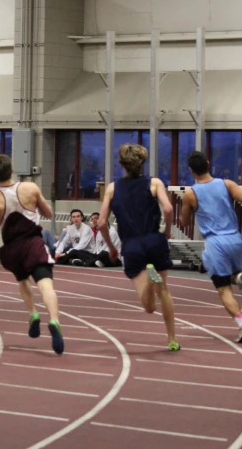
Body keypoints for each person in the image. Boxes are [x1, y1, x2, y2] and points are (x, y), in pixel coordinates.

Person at [97, 144, 180, 351]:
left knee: (149, 307)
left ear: (122, 165)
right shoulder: (154, 183)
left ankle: (150, 283)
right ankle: (172, 339)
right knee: (165, 292)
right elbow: (168, 208)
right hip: (154, 239)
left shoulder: (112, 188)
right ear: (142, 163)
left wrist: (111, 247)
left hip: (131, 245)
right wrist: (167, 229)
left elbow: (101, 222)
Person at [180, 151, 242, 344]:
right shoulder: (227, 184)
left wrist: (189, 209)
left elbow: (184, 222)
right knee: (232, 271)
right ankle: (238, 276)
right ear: (208, 163)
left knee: (223, 289)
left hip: (215, 242)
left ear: (191, 171)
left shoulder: (190, 193)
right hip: (236, 239)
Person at [0, 154, 64, 355]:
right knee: (46, 284)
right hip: (33, 243)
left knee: (22, 281)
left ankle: (33, 313)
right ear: (12, 170)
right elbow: (48, 214)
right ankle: (53, 319)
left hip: (12, 248)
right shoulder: (30, 188)